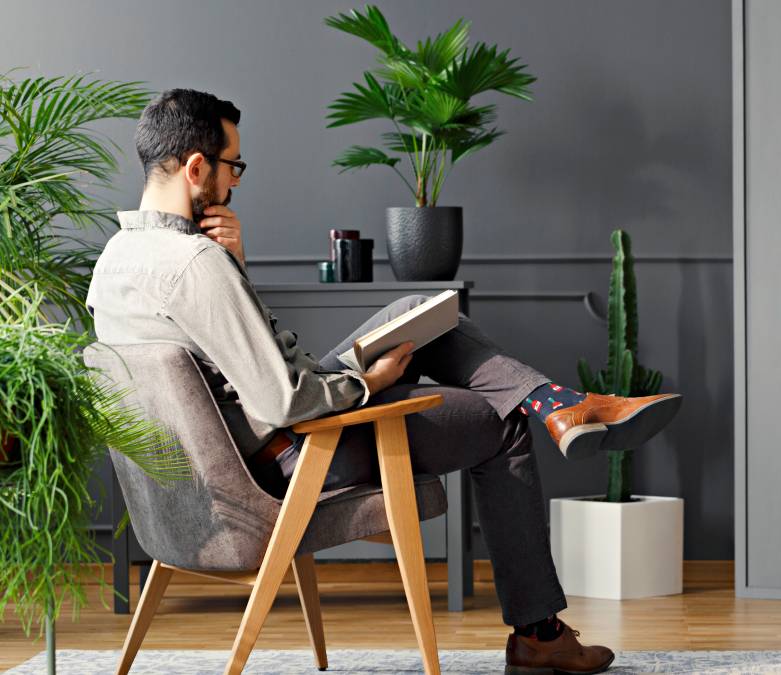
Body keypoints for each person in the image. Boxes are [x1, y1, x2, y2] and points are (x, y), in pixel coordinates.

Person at [85, 89, 682, 675]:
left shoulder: (117, 260)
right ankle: (539, 631)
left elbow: (238, 371)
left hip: (233, 466)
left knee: (423, 311)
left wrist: (238, 269)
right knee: (504, 426)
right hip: (297, 456)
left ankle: (560, 405)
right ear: (197, 166)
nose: (236, 180)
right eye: (233, 165)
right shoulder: (194, 264)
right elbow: (281, 398)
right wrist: (366, 384)